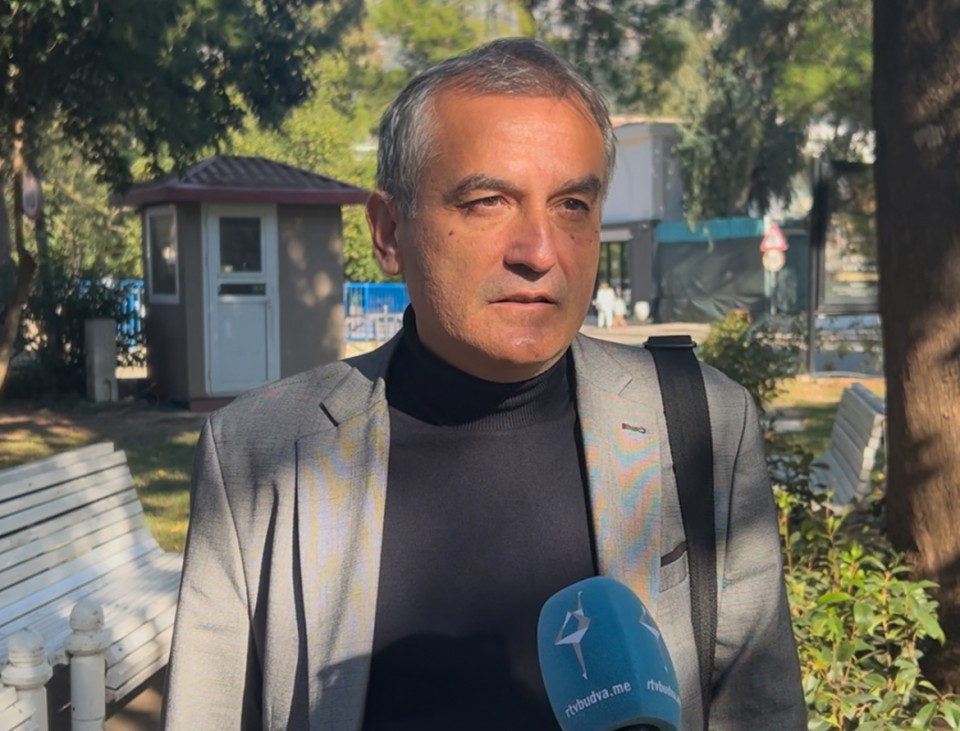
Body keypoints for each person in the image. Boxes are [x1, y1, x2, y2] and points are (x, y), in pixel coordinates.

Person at [162, 38, 805, 731]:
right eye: (488, 201)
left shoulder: (702, 421)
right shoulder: (257, 452)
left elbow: (761, 711)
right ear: (388, 230)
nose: (540, 252)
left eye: (572, 204)